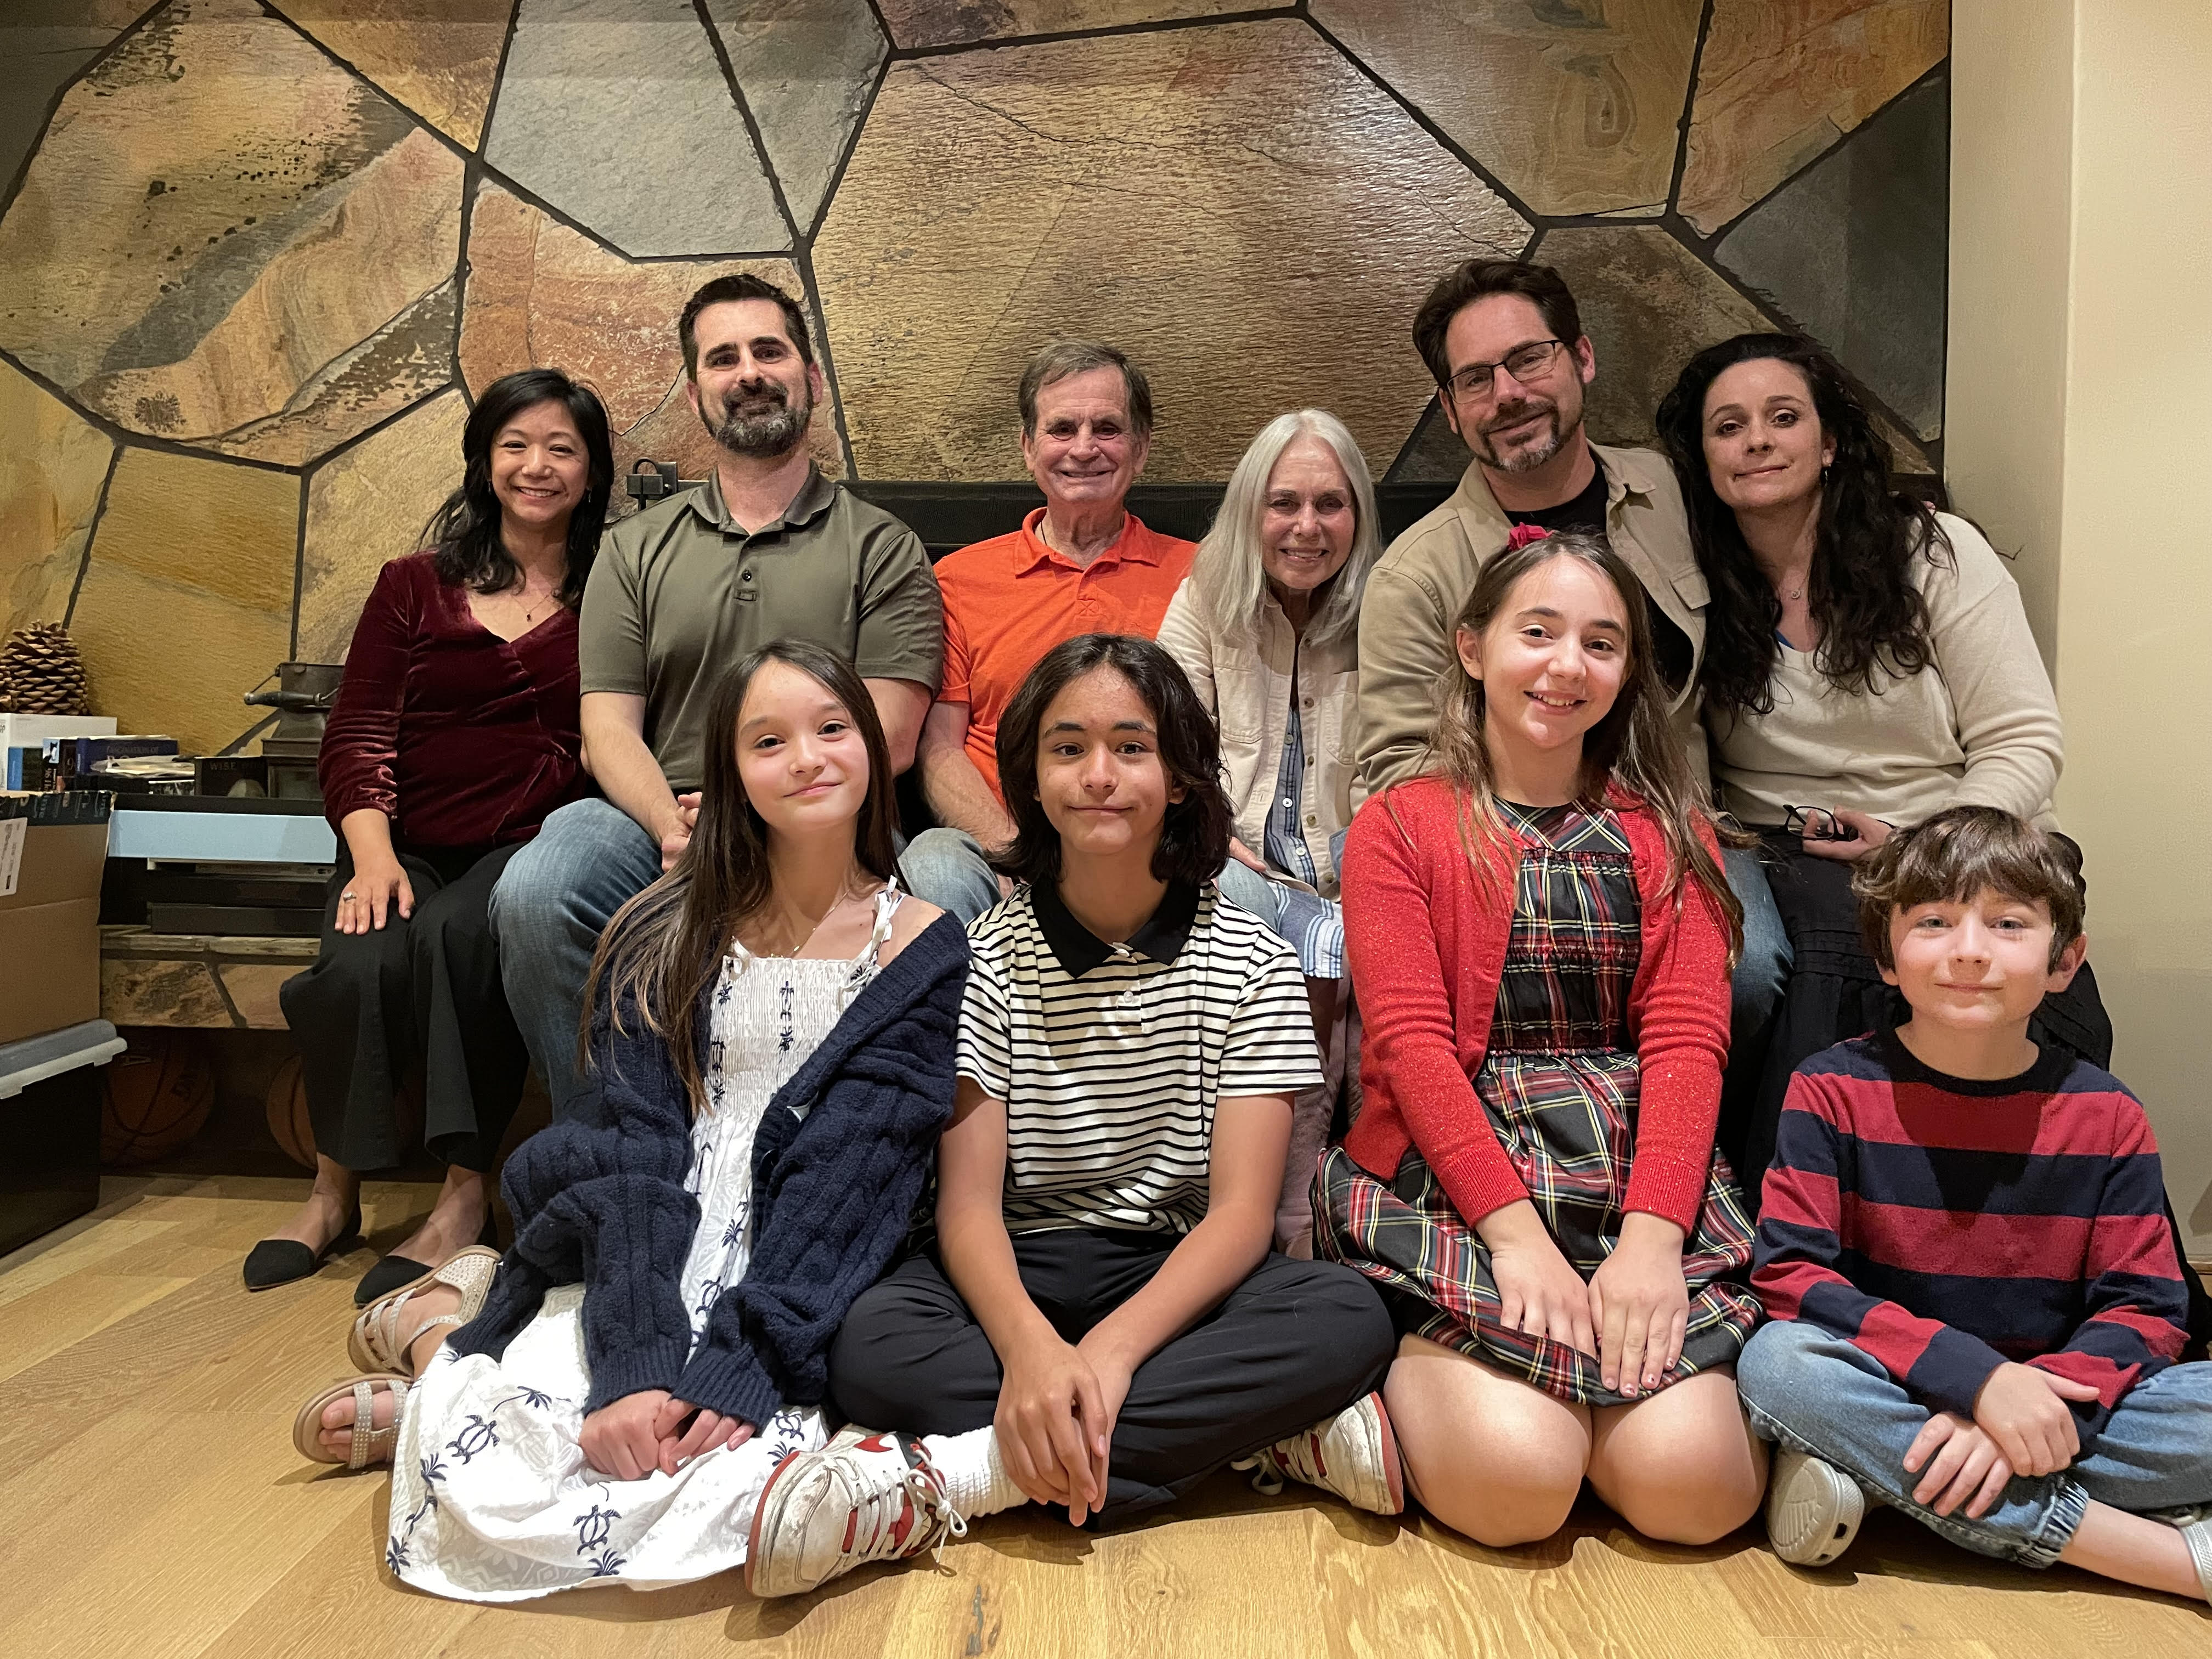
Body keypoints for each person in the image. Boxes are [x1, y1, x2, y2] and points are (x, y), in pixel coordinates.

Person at [287, 640, 969, 1606]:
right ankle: (448, 1338)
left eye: (831, 728)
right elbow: (629, 1146)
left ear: (873, 744)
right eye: (767, 740)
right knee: (586, 1431)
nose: (808, 758)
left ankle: (437, 1347)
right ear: (726, 773)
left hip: (803, 1249)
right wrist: (637, 1360)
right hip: (650, 1226)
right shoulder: (668, 930)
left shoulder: (928, 943)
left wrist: (746, 1357)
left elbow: (860, 1166)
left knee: (733, 1486)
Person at [743, 635, 1401, 1598]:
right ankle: (1263, 1434)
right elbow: (967, 1209)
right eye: (1067, 748)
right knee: (870, 1342)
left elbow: (1237, 1215)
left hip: (1179, 1271)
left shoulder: (1252, 961)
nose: (1099, 776)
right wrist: (1030, 1349)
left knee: (1345, 1316)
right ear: (1030, 780)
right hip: (1023, 1258)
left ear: (1178, 776)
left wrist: (1103, 1356)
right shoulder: (983, 956)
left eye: (1132, 747)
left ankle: (961, 1474)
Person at [1320, 531, 1769, 1550]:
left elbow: (1689, 1044)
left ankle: (1602, 1417)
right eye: (1539, 631)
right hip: (1461, 1173)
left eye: (1602, 643)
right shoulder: (1399, 823)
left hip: (1626, 1173)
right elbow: (1411, 1048)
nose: (1569, 665)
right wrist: (1515, 1239)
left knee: (1694, 1493)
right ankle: (1377, 1413)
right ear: (1473, 647)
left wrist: (1653, 1240)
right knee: (1514, 1488)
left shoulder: (1672, 831)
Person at [1652, 333, 2101, 1190]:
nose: (1757, 442)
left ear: (1827, 443)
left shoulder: (1935, 554)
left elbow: (2023, 738)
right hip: (1786, 844)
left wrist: (1919, 841)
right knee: (1823, 952)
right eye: (1729, 427)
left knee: (2022, 976)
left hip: (1958, 828)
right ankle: (1800, 1221)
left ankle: (2027, 1225)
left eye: (1783, 419)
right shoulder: (1690, 586)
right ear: (1701, 458)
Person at [492, 273, 943, 1119]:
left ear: (809, 375)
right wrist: (672, 826)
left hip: (828, 819)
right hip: (660, 820)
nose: (749, 372)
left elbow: (892, 737)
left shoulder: (882, 548)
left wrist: (757, 818)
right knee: (539, 883)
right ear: (696, 389)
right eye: (723, 358)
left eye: (769, 351)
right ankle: (611, 1149)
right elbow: (606, 728)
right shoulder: (633, 549)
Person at [1739, 807, 2210, 1605]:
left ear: (2065, 962)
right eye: (1933, 920)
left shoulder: (2109, 1113)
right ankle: (2153, 1554)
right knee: (1779, 1369)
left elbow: (2148, 1308)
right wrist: (1979, 1385)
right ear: (1886, 955)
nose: (1968, 949)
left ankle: (1885, 1479)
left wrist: (2026, 1403)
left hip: (2053, 1397)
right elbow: (1792, 1276)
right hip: (1895, 1378)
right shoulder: (1829, 1089)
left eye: (2007, 923)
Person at [1353, 259, 1789, 1101]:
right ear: (1449, 410)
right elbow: (1394, 770)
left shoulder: (1670, 491)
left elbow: (1784, 537)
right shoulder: (1418, 574)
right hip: (1510, 842)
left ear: (1581, 358)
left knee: (1752, 971)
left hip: (1681, 821)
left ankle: (1690, 1172)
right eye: (1475, 379)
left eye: (1529, 360)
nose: (1508, 393)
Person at [249, 369, 611, 1302]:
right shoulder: (415, 585)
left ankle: (461, 1197)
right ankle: (333, 1190)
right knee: (359, 961)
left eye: (561, 447)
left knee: (460, 941)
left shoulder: (615, 592)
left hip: (520, 841)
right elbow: (360, 726)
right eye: (516, 445)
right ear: (484, 461)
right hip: (396, 831)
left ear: (591, 468)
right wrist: (371, 852)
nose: (537, 466)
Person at [1156, 408, 1382, 1251]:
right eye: (1284, 503)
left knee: (1350, 926)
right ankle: (1273, 1209)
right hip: (1234, 852)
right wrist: (1231, 845)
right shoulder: (1206, 598)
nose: (1307, 527)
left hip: (1354, 856)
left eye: (1331, 504)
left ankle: (1320, 1199)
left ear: (1358, 515)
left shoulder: (1387, 604)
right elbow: (1172, 750)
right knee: (1273, 920)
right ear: (1252, 509)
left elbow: (1415, 759)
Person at [900, 341, 1195, 924]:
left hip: (1153, 844)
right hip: (1000, 848)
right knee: (933, 862)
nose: (1084, 449)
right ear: (1028, 446)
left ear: (1141, 449)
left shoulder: (1199, 575)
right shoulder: (959, 580)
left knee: (1247, 891)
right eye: (1062, 428)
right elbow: (937, 749)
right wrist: (1017, 851)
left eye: (1107, 428)